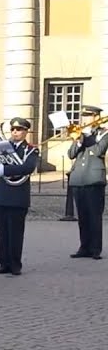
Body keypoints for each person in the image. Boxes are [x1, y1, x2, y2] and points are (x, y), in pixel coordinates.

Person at [0, 118, 39, 275]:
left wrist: (5, 170)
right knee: (2, 232)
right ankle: (3, 263)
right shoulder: (2, 147)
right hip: (1, 194)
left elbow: (28, 167)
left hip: (18, 197)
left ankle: (15, 264)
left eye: (19, 130)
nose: (15, 132)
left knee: (16, 233)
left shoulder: (31, 150)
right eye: (13, 130)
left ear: (25, 132)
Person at [67, 106, 108, 260]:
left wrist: (87, 136)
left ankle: (95, 249)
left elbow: (99, 151)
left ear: (96, 117)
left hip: (94, 178)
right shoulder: (80, 133)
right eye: (83, 115)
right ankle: (84, 247)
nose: (84, 118)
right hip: (78, 178)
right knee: (83, 216)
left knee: (94, 216)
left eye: (88, 115)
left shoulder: (104, 133)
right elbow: (71, 154)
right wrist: (77, 141)